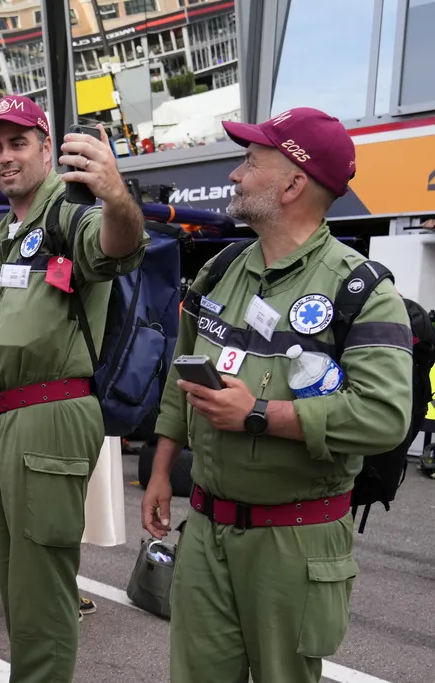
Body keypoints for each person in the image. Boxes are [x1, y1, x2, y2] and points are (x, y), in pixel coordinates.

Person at [141, 107, 414, 683]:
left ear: (292, 184)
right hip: (207, 529)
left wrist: (260, 414)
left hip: (296, 539)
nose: (236, 176)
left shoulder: (363, 290)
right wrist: (161, 469)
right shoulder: (220, 271)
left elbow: (384, 417)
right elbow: (180, 376)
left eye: (249, 162)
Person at [0, 95, 147, 683]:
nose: (4, 158)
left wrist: (114, 193)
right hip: (6, 422)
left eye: (18, 144)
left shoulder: (72, 212)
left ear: (46, 145)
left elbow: (120, 246)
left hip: (49, 414)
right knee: (18, 593)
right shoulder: (9, 232)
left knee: (42, 596)